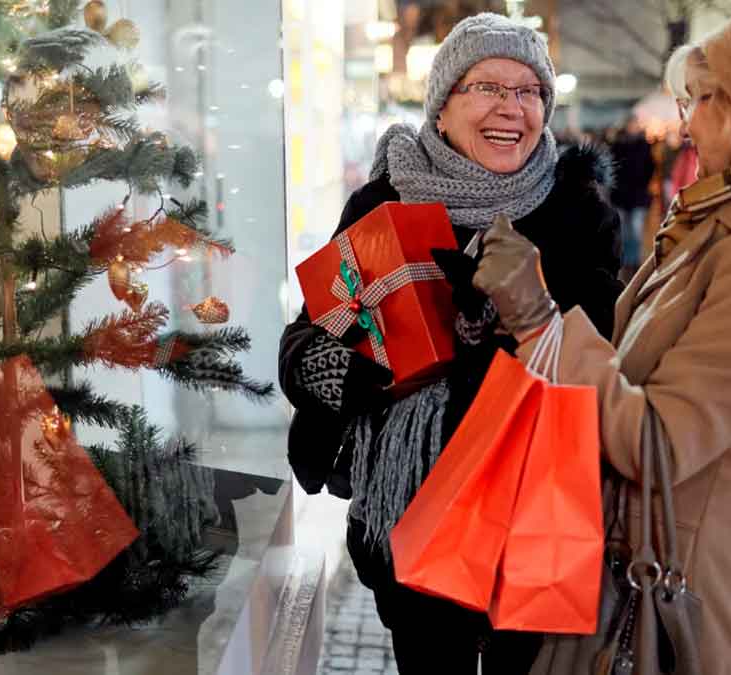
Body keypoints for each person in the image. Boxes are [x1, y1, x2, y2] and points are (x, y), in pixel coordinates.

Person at [471, 3, 731, 674]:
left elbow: (657, 441)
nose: (685, 120)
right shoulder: (722, 221)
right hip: (621, 571)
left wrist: (538, 319)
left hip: (668, 611)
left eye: (700, 99)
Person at [278, 13, 622, 674]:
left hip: (533, 513)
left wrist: (498, 323)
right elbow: (310, 333)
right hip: (413, 516)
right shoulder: (383, 203)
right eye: (488, 86)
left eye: (529, 93)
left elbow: (600, 352)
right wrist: (346, 373)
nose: (511, 108)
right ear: (441, 107)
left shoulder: (579, 212)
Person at [610, 117, 656, 270]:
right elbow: (612, 168)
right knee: (623, 229)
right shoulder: (618, 145)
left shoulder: (644, 146)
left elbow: (650, 167)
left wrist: (644, 183)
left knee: (636, 228)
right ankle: (626, 259)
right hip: (621, 195)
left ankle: (635, 259)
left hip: (638, 194)